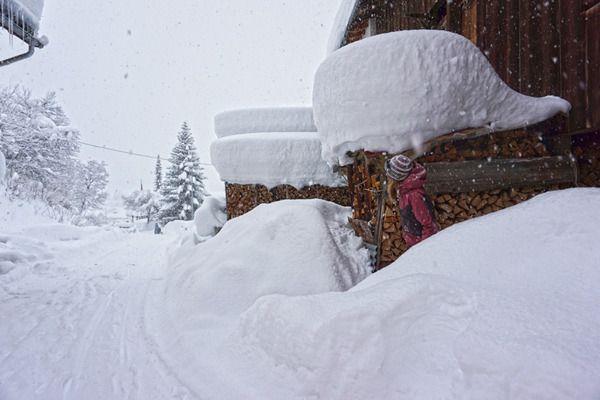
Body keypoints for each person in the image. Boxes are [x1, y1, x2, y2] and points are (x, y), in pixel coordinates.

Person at [385, 154, 439, 248]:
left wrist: (423, 250)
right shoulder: (404, 192)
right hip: (414, 245)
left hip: (421, 247)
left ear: (396, 178)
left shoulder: (414, 196)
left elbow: (429, 226)